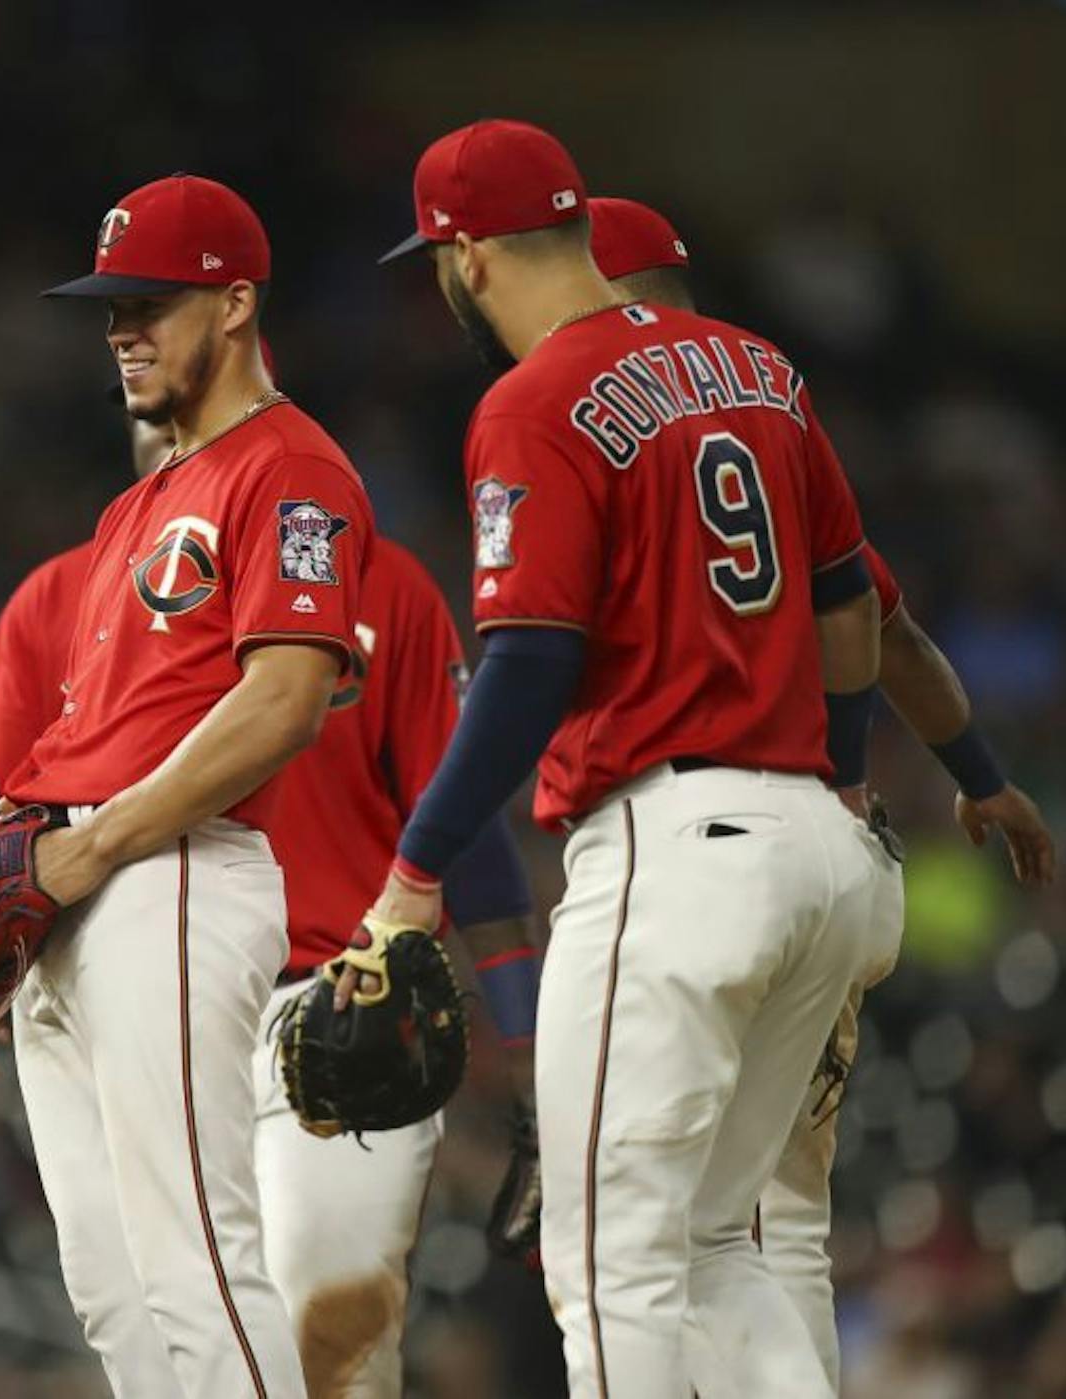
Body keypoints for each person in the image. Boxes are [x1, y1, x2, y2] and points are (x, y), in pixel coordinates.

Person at [360, 119, 902, 1398]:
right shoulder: (754, 365)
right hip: (816, 845)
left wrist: (417, 867)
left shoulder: (531, 399)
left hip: (677, 851)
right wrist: (841, 776)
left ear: (470, 257)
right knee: (715, 1244)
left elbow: (529, 663)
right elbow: (849, 605)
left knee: (608, 1263)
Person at [0, 381, 543, 1396]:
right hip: (131, 987)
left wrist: (526, 1054)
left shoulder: (377, 583)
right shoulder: (64, 595)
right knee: (143, 1313)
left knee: (325, 1337)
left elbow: (469, 832)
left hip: (335, 1008)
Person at [586, 193, 1058, 1385]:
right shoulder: (768, 429)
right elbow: (890, 629)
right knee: (781, 1222)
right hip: (834, 855)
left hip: (709, 850)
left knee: (662, 1236)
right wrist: (981, 777)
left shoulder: (608, 440)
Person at [0, 172, 376, 1399]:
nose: (122, 331)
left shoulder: (292, 468)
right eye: (111, 309)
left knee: (194, 1263)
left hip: (173, 872)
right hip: (78, 895)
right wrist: (19, 876)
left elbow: (285, 700)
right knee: (113, 1289)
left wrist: (95, 847)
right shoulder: (136, 507)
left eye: (150, 303)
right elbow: (92, 726)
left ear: (236, 304)